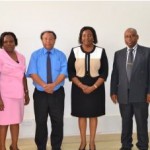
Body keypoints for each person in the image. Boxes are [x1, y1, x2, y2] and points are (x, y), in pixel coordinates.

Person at [68, 26, 108, 150]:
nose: (87, 37)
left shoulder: (101, 51)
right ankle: (83, 142)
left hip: (97, 87)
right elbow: (70, 72)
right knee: (81, 115)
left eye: (89, 35)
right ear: (81, 37)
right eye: (84, 35)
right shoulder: (75, 51)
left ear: (93, 37)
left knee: (93, 115)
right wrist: (81, 85)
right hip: (78, 87)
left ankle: (92, 143)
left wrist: (94, 87)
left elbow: (104, 72)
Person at [26, 30, 67, 150]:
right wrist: (45, 86)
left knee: (58, 121)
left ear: (55, 40)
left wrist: (53, 85)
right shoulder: (35, 55)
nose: (48, 41)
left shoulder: (61, 55)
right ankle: (41, 146)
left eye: (51, 39)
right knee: (40, 121)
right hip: (40, 93)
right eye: (45, 38)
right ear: (42, 40)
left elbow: (63, 73)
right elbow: (32, 72)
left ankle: (56, 146)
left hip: (57, 92)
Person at [110, 28, 150, 150]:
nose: (129, 39)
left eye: (132, 36)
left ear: (137, 37)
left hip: (141, 95)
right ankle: (126, 145)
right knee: (126, 122)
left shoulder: (147, 52)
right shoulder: (119, 54)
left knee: (141, 122)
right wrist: (113, 91)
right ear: (124, 38)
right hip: (123, 95)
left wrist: (149, 92)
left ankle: (143, 145)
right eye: (127, 36)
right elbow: (115, 74)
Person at [0, 32, 30, 150]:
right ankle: (2, 146)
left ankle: (14, 145)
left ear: (15, 42)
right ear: (2, 43)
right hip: (4, 95)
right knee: (3, 122)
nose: (9, 44)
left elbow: (23, 75)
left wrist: (26, 92)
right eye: (5, 41)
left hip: (18, 94)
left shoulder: (21, 57)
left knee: (15, 121)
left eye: (11, 41)